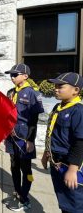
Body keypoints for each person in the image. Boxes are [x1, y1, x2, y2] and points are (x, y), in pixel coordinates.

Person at [3, 64, 44, 211]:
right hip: (11, 135)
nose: (12, 77)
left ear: (25, 76)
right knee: (14, 165)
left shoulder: (33, 93)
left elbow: (33, 120)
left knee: (25, 168)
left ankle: (25, 198)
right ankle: (18, 191)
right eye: (11, 74)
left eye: (16, 74)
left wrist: (30, 140)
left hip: (24, 136)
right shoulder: (10, 92)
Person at [41, 73, 83, 213]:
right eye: (55, 86)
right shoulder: (58, 108)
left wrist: (72, 169)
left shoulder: (78, 111)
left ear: (75, 90)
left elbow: (80, 142)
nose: (55, 89)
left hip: (69, 165)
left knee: (74, 203)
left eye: (61, 86)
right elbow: (52, 132)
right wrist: (47, 153)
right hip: (56, 163)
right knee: (63, 200)